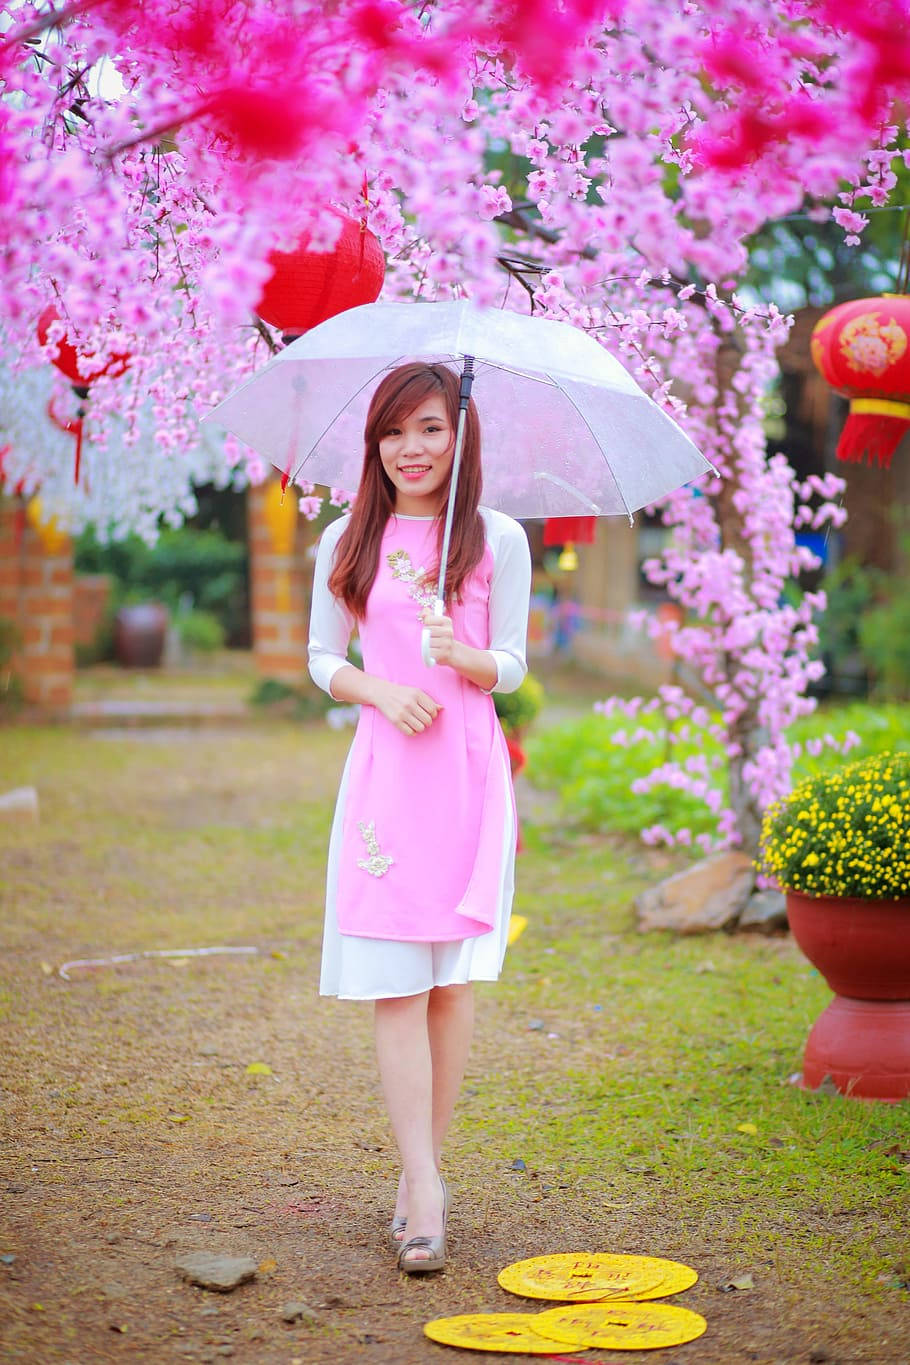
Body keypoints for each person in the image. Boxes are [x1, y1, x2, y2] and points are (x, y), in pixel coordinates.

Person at [307, 361, 531, 1275]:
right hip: (389, 779)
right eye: (397, 432)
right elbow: (322, 657)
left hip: (467, 777)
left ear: (460, 433)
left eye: (432, 428)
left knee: (449, 983)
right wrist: (382, 687)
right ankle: (426, 1183)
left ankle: (418, 1178)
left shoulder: (495, 538)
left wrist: (464, 654)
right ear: (376, 442)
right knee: (395, 982)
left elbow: (512, 664)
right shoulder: (344, 536)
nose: (413, 448)